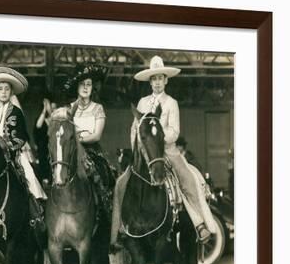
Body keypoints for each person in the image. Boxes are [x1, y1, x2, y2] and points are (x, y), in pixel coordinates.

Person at [110, 55, 217, 251]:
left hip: (167, 151)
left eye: (160, 78)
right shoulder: (142, 103)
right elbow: (134, 129)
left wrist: (157, 138)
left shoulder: (171, 103)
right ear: (150, 81)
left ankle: (200, 223)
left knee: (186, 180)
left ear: (166, 80)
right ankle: (119, 229)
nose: (157, 83)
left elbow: (174, 131)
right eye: (154, 79)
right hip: (144, 153)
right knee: (120, 184)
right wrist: (139, 148)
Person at [0, 66, 47, 224]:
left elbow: (22, 137)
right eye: (0, 89)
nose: (3, 92)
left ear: (11, 92)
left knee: (28, 174)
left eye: (7, 89)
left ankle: (36, 209)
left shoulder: (16, 112)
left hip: (12, 154)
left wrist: (8, 145)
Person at [61, 64, 114, 216]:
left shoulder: (98, 108)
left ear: (92, 88)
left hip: (92, 151)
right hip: (72, 151)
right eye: (82, 84)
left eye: (89, 84)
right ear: (77, 87)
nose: (85, 87)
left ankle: (105, 209)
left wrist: (79, 138)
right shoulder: (68, 109)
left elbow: (97, 135)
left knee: (102, 175)